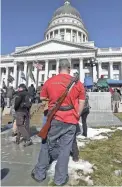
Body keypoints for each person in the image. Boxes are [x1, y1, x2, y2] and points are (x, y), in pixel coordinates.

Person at [31, 59, 85, 185]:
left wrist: (51, 103)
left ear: (58, 69)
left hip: (54, 118)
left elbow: (43, 97)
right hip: (71, 119)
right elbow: (82, 102)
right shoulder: (78, 83)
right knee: (65, 150)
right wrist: (77, 114)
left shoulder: (49, 81)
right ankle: (60, 179)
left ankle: (39, 174)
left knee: (45, 146)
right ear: (69, 69)